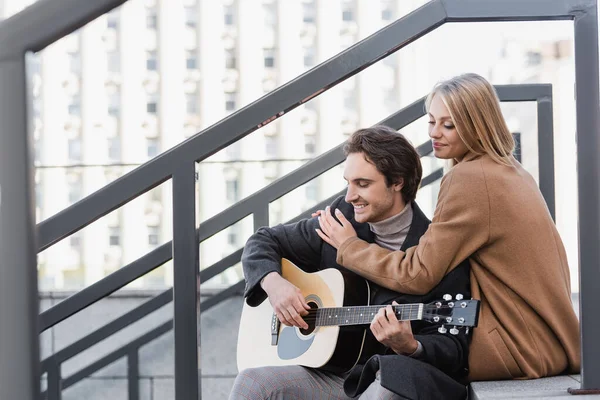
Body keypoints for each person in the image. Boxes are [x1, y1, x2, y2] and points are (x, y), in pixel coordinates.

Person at [317, 73, 580, 381]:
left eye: (449, 125)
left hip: (515, 348)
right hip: (549, 343)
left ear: (477, 125)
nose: (435, 133)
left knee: (391, 358)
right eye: (431, 121)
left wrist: (349, 246)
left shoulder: (469, 179)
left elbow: (418, 274)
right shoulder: (512, 171)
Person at [230, 125, 472, 400]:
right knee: (253, 382)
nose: (349, 196)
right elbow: (262, 242)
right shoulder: (339, 220)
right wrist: (275, 285)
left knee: (386, 391)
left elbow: (454, 347)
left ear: (398, 182)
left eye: (363, 184)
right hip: (329, 375)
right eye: (348, 182)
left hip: (383, 382)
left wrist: (410, 345)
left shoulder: (436, 249)